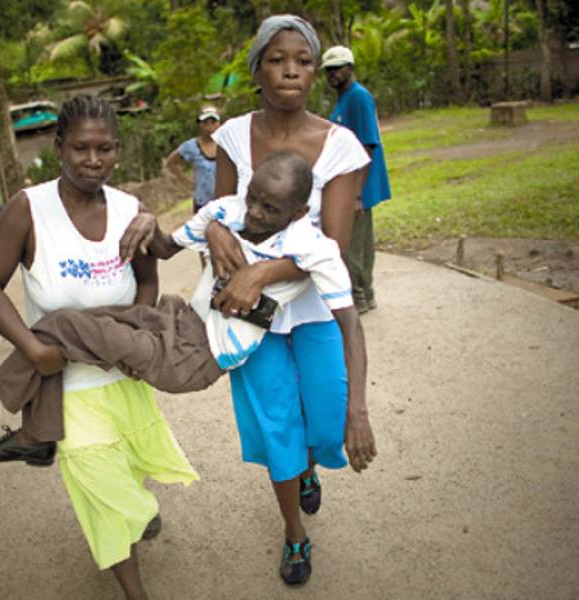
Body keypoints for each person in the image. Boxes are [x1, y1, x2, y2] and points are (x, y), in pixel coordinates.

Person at [128, 14, 377, 584]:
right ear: (257, 68)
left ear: (316, 71)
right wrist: (213, 232)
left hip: (312, 310)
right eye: (277, 59)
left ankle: (309, 468)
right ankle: (294, 533)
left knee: (322, 419)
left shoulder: (340, 147)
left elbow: (334, 247)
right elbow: (222, 216)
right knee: (276, 425)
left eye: (304, 61)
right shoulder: (235, 136)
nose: (291, 70)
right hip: (250, 323)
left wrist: (261, 273)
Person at [0, 151, 359, 454]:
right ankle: (34, 431)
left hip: (195, 357)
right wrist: (151, 219)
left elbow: (351, 327)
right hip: (174, 317)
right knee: (66, 325)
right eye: (254, 199)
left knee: (64, 327)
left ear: (300, 211)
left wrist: (357, 411)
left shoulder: (315, 248)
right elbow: (167, 247)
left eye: (272, 208)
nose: (257, 214)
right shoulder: (227, 211)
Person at [0, 95, 197, 600]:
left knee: (130, 475)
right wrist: (30, 345)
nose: (94, 160)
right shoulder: (29, 209)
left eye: (106, 149)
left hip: (123, 374)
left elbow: (147, 284)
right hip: (67, 387)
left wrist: (138, 343)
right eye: (81, 149)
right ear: (59, 148)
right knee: (104, 498)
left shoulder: (129, 211)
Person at [322, 45, 391, 313]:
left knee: (353, 243)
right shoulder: (343, 99)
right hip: (347, 183)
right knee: (356, 240)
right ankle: (364, 293)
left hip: (358, 184)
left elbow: (368, 145)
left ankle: (361, 296)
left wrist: (358, 194)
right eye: (328, 70)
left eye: (337, 68)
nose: (332, 74)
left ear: (350, 68)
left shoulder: (358, 97)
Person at [164, 105, 220, 214]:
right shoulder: (191, 146)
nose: (209, 126)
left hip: (225, 200)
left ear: (219, 124)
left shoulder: (226, 144)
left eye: (213, 122)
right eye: (205, 122)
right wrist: (186, 181)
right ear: (200, 124)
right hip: (202, 201)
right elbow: (171, 162)